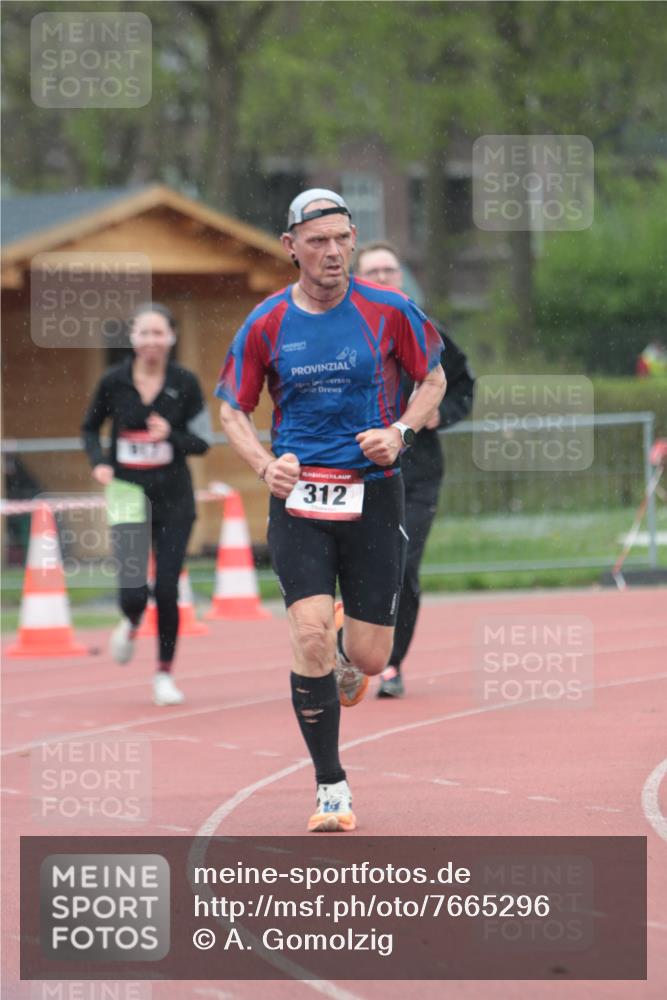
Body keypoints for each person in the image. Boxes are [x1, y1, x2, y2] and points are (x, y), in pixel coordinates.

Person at [216, 189, 446, 831]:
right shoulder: (266, 323)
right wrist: (265, 464)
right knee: (308, 631)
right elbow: (233, 405)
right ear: (291, 248)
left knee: (371, 658)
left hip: (374, 490)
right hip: (300, 498)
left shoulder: (390, 309)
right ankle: (331, 788)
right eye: (318, 240)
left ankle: (351, 649)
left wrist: (400, 432)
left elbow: (436, 379)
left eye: (343, 237)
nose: (334, 251)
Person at [356, 241, 475, 697]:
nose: (383, 277)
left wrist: (443, 414)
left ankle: (391, 663)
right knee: (357, 566)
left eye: (390, 269)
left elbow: (463, 384)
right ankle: (349, 649)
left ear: (401, 277)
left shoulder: (428, 331)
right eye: (373, 271)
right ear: (356, 278)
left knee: (402, 566)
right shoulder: (339, 333)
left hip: (417, 471)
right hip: (355, 469)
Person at [82, 303, 212, 706]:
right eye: (144, 333)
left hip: (174, 496)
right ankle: (131, 618)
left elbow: (202, 442)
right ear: (133, 338)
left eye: (160, 333)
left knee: (169, 587)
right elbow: (89, 428)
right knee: (134, 590)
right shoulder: (113, 381)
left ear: (171, 338)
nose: (152, 341)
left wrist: (170, 434)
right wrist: (100, 464)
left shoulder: (185, 382)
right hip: (126, 492)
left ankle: (164, 674)